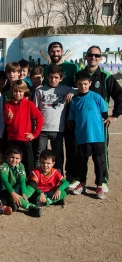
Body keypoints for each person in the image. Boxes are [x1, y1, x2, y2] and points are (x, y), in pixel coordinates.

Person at [78, 45, 122, 193]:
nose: (93, 58)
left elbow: (119, 95)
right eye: (90, 55)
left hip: (99, 124)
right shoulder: (79, 75)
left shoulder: (105, 76)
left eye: (96, 55)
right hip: (82, 124)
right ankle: (80, 180)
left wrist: (115, 115)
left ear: (101, 58)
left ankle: (102, 182)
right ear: (86, 56)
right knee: (81, 153)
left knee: (100, 153)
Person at [42, 42, 81, 183]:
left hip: (70, 113)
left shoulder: (72, 67)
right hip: (53, 116)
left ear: (62, 51)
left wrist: (72, 91)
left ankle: (69, 175)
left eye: (58, 51)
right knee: (52, 149)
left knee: (71, 147)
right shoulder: (46, 69)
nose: (55, 53)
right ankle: (46, 177)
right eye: (52, 51)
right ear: (49, 53)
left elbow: (80, 84)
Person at [68, 71, 108, 199]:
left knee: (98, 161)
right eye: (80, 84)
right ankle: (82, 183)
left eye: (85, 84)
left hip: (97, 137)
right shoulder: (74, 101)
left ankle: (100, 185)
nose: (83, 86)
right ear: (76, 84)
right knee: (82, 161)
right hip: (82, 137)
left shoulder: (96, 97)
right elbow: (72, 120)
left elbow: (104, 114)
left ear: (90, 83)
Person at [33, 64, 75, 172]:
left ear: (61, 78)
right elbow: (34, 111)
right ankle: (38, 178)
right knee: (40, 154)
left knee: (58, 154)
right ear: (47, 77)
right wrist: (34, 127)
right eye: (51, 77)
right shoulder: (40, 91)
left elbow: (78, 89)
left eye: (56, 77)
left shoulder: (65, 89)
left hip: (57, 130)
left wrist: (71, 92)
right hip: (41, 129)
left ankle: (58, 177)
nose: (53, 80)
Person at [4, 80, 43, 175]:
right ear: (12, 91)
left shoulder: (29, 104)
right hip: (12, 138)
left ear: (24, 91)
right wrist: (9, 118)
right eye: (15, 91)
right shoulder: (8, 104)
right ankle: (13, 181)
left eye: (20, 91)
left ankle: (30, 182)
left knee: (28, 163)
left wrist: (34, 134)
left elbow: (39, 118)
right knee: (12, 162)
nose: (18, 94)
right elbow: (7, 122)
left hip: (25, 139)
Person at [0, 146, 42, 217]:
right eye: (11, 157)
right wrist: (13, 194)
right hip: (7, 190)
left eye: (17, 158)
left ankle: (15, 204)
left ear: (21, 159)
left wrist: (24, 194)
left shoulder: (21, 166)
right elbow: (5, 181)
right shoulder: (4, 165)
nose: (14, 160)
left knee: (33, 183)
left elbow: (22, 180)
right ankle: (31, 208)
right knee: (8, 196)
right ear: (7, 156)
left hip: (18, 190)